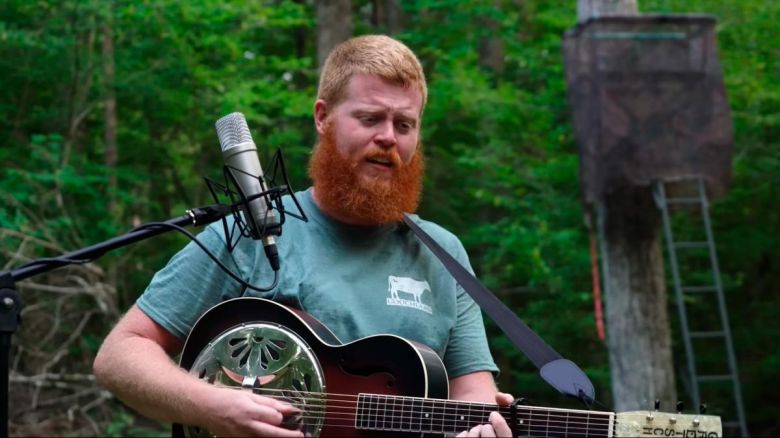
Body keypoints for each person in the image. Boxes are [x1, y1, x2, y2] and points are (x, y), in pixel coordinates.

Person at [93, 34, 513, 437]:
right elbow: (120, 353)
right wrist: (210, 406)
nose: (388, 136)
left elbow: (471, 392)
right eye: (370, 118)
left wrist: (482, 429)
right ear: (322, 117)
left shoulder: (444, 254)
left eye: (404, 124)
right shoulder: (252, 233)